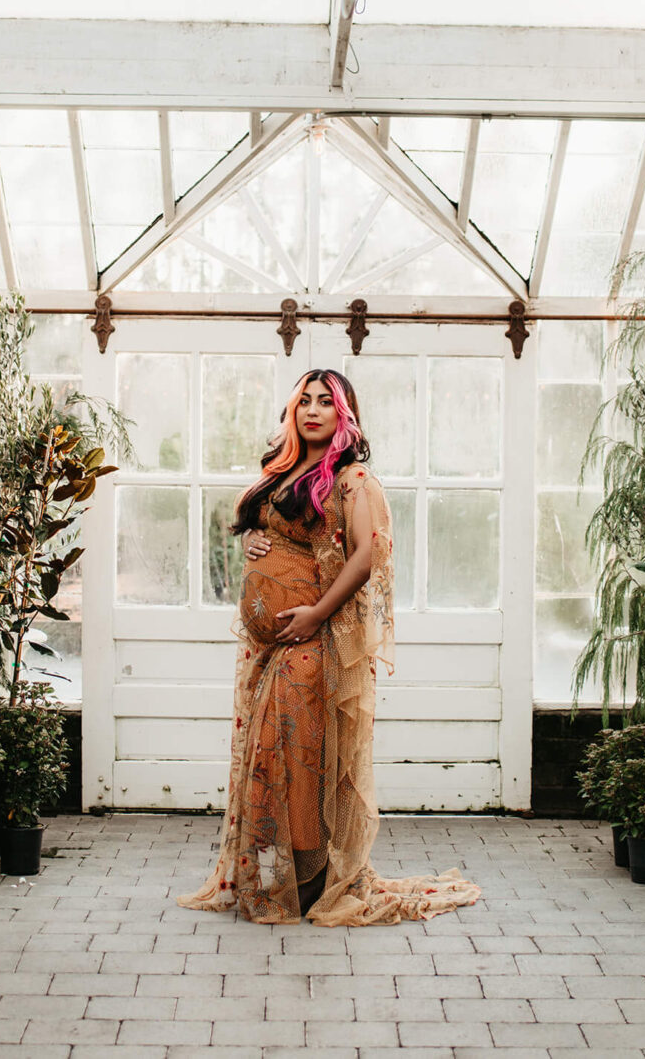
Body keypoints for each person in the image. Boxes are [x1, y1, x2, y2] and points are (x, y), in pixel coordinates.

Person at [177, 369, 482, 926]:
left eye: (326, 402)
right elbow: (265, 529)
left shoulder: (352, 479)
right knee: (270, 756)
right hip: (274, 648)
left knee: (301, 760)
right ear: (292, 413)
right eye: (303, 402)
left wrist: (317, 612)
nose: (312, 410)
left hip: (317, 642)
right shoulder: (286, 473)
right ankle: (273, 877)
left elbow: (367, 554)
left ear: (345, 414)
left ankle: (312, 882)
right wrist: (255, 542)